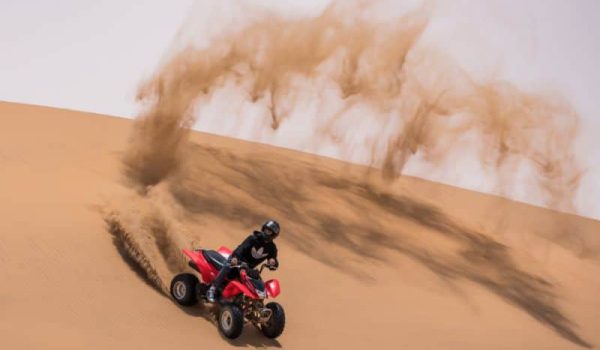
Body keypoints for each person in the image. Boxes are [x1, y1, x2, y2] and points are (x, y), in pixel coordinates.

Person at [206, 219, 280, 302]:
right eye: (266, 229)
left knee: (257, 283)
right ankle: (213, 288)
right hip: (237, 260)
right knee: (228, 266)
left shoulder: (272, 248)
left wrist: (273, 262)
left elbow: (273, 260)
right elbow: (241, 248)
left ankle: (255, 303)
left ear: (274, 235)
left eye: (269, 231)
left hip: (248, 268)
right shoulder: (253, 238)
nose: (266, 232)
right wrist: (235, 258)